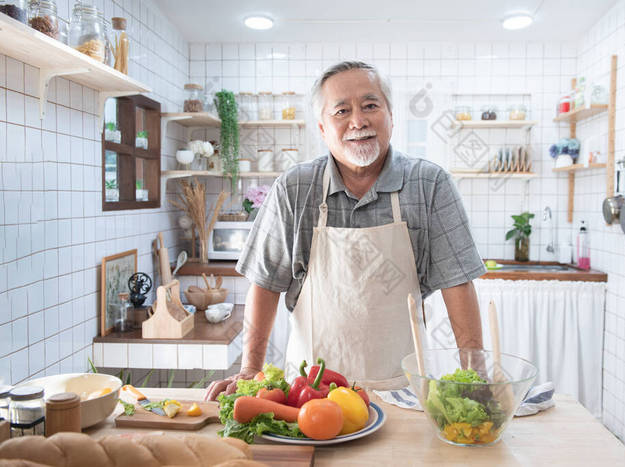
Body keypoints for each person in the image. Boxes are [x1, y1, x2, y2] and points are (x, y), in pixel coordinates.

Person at [205, 61, 486, 401]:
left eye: (370, 106)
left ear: (391, 116)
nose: (358, 121)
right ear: (323, 128)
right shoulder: (294, 189)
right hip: (308, 396)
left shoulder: (429, 185)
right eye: (341, 111)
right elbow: (265, 284)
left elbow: (457, 282)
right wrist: (250, 370)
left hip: (404, 391)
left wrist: (475, 375)